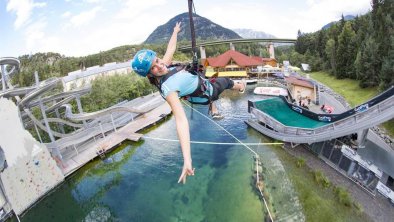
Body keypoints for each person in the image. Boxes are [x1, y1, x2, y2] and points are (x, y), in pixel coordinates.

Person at [131, 22, 246, 184]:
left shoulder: (164, 66)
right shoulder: (169, 89)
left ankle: (214, 106)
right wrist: (187, 159)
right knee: (226, 81)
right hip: (208, 91)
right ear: (150, 75)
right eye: (154, 68)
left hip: (201, 85)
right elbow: (180, 120)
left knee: (208, 77)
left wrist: (175, 32)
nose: (160, 65)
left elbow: (170, 49)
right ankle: (241, 87)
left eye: (157, 60)